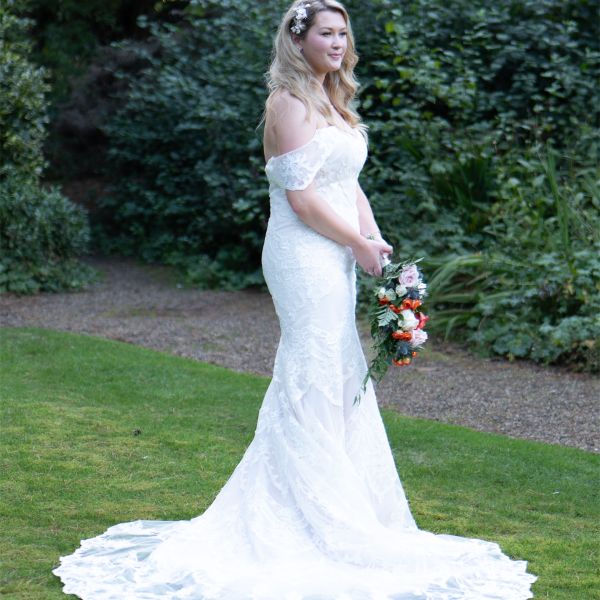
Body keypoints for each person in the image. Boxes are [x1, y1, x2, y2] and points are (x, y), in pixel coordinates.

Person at [52, 1, 538, 598]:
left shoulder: (335, 100)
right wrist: (357, 244)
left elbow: (348, 182)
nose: (338, 43)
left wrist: (373, 236)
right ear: (298, 39)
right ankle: (306, 514)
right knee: (310, 369)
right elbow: (305, 201)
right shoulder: (287, 104)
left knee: (338, 370)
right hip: (303, 254)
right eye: (327, 33)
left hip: (337, 249)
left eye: (343, 33)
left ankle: (345, 502)